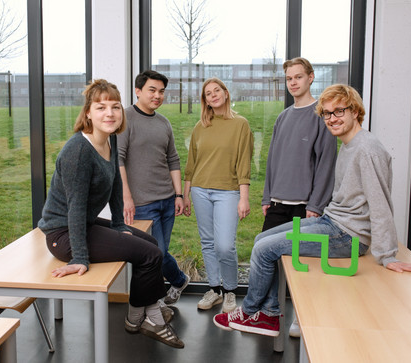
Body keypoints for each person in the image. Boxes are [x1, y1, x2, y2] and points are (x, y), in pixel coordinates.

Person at [213, 84, 411, 337]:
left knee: (263, 248)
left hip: (347, 234)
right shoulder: (350, 144)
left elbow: (380, 205)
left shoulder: (367, 149)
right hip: (333, 222)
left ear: (355, 111)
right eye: (327, 113)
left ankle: (250, 312)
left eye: (339, 111)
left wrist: (388, 255)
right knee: (261, 240)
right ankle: (269, 315)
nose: (332, 119)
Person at [37, 79, 184, 349]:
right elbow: (76, 207)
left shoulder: (110, 140)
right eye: (101, 107)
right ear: (88, 113)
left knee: (151, 244)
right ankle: (148, 318)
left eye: (115, 107)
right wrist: (80, 257)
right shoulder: (78, 151)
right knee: (151, 254)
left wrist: (118, 224)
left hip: (83, 224)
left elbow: (116, 181)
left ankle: (138, 316)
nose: (110, 113)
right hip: (63, 234)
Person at [261, 57, 337, 337]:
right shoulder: (283, 117)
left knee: (303, 268)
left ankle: (302, 317)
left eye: (298, 77)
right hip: (278, 204)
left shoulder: (321, 117)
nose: (293, 82)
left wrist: (316, 205)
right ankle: (270, 313)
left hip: (307, 208)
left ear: (311, 78)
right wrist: (267, 197)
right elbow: (272, 161)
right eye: (289, 78)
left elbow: (327, 165)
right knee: (265, 257)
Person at [117, 70, 190, 307]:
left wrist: (178, 194)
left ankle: (172, 286)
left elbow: (173, 159)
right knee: (154, 254)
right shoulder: (125, 119)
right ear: (138, 91)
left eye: (161, 91)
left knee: (160, 251)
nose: (157, 96)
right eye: (152, 90)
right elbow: (117, 159)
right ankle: (170, 288)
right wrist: (126, 197)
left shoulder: (163, 122)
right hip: (141, 204)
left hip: (167, 200)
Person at [183, 77, 254, 313]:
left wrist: (244, 197)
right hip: (200, 190)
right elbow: (191, 165)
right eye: (208, 93)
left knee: (225, 246)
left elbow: (244, 162)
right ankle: (214, 289)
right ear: (205, 100)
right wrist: (185, 195)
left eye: (216, 91)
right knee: (208, 243)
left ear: (225, 93)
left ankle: (231, 291)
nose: (213, 95)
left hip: (228, 191)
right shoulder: (200, 126)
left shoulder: (240, 124)